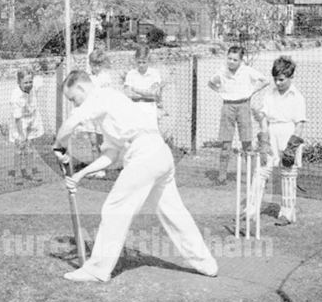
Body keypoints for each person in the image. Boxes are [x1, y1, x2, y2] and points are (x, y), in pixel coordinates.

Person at [53, 70, 218, 283]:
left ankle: (97, 269)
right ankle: (207, 264)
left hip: (145, 156)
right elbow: (110, 155)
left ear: (82, 88)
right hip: (159, 155)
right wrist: (80, 174)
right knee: (174, 212)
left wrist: (58, 145)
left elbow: (72, 121)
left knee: (115, 209)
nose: (75, 104)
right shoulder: (108, 108)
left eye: (74, 99)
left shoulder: (101, 96)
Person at [246, 56, 307, 226]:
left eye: (281, 80)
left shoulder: (297, 97)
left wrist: (292, 146)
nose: (278, 83)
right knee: (261, 171)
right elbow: (264, 117)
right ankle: (251, 210)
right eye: (275, 79)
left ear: (290, 77)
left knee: (288, 174)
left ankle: (287, 213)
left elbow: (300, 123)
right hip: (272, 132)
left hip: (289, 133)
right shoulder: (269, 93)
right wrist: (264, 139)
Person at [207, 45, 268, 185]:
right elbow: (210, 83)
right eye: (229, 58)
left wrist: (251, 91)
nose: (231, 62)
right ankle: (222, 177)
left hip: (243, 106)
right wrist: (221, 91)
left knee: (247, 143)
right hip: (227, 106)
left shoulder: (247, 71)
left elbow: (265, 81)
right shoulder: (222, 71)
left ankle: (254, 176)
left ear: (241, 60)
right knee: (225, 144)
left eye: (235, 60)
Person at [84, 48, 118, 178]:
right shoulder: (86, 78)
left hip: (101, 114)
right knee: (92, 142)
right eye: (94, 65)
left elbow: (109, 95)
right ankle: (94, 168)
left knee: (101, 142)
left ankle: (102, 168)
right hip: (90, 113)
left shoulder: (105, 78)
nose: (96, 68)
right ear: (90, 64)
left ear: (102, 65)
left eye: (99, 65)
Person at [9, 68, 44, 184]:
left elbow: (40, 79)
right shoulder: (15, 96)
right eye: (25, 82)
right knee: (19, 146)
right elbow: (17, 118)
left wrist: (33, 73)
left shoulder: (33, 87)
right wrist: (21, 135)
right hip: (19, 123)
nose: (28, 85)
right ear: (18, 82)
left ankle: (29, 172)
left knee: (30, 147)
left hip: (32, 119)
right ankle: (18, 174)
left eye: (30, 82)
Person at [123, 45, 163, 131]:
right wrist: (146, 93)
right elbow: (127, 93)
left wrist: (135, 89)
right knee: (135, 135)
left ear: (148, 61)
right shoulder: (131, 74)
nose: (141, 65)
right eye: (139, 62)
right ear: (135, 61)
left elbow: (154, 93)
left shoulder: (154, 73)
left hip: (149, 107)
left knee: (151, 135)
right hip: (134, 108)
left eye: (144, 62)